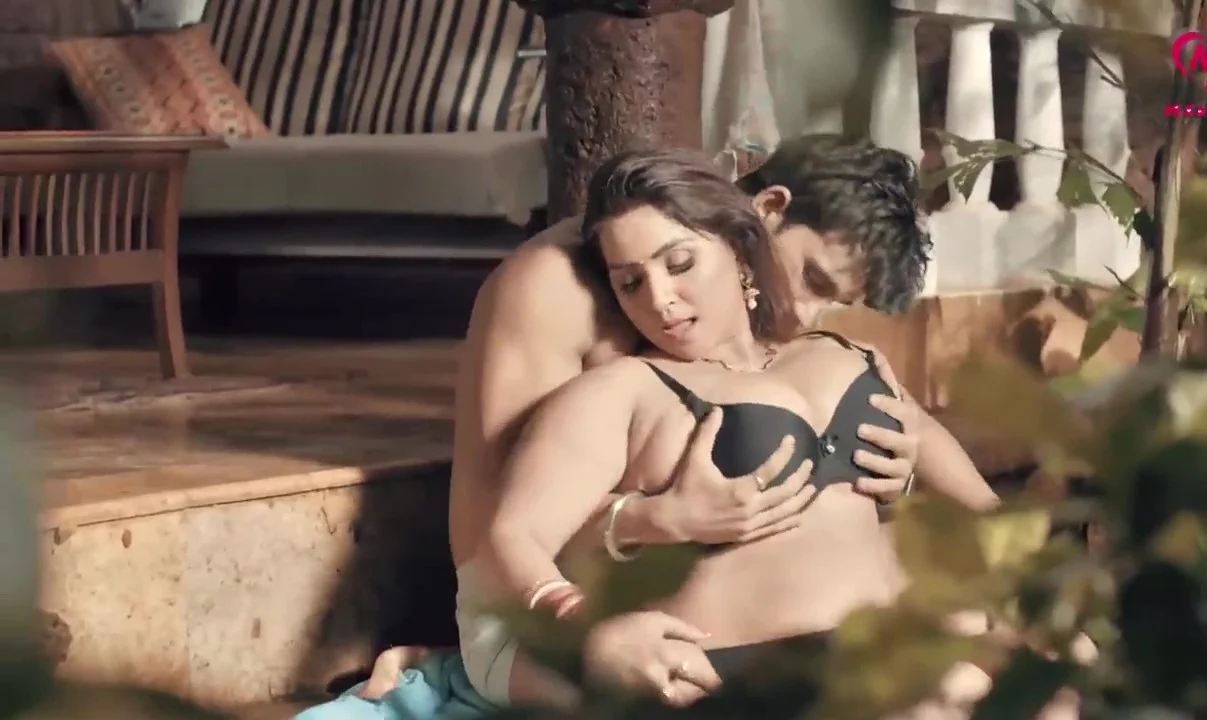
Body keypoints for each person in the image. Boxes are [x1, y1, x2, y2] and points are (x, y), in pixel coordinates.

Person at [308, 136, 997, 718]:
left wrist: (899, 467)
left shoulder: (781, 337)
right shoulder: (559, 293)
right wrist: (649, 523)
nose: (809, 313)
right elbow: (501, 537)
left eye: (835, 302)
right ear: (765, 213)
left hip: (722, 605)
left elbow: (932, 460)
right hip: (552, 609)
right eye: (813, 281)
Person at [480, 149, 1038, 717]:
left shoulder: (845, 354)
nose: (660, 300)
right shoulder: (621, 390)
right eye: (630, 283)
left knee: (1053, 682)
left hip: (876, 649)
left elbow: (966, 490)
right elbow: (510, 536)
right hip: (746, 670)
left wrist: (915, 480)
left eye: (679, 264)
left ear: (738, 246)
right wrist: (591, 629)